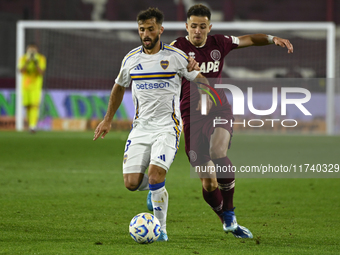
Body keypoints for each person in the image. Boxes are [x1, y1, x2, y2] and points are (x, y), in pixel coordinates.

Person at [169, 4, 294, 238]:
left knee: (218, 151)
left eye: (202, 26)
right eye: (193, 26)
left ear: (209, 27)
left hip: (218, 109)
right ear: (186, 26)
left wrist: (271, 38)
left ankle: (230, 210)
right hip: (191, 116)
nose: (198, 31)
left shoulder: (219, 43)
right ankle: (226, 219)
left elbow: (247, 39)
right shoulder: (176, 49)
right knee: (208, 183)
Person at [93, 7, 207, 242]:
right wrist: (107, 120)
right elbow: (118, 87)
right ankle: (154, 191)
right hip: (141, 128)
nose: (145, 34)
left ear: (160, 30)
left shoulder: (176, 56)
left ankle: (162, 229)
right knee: (131, 183)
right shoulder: (131, 59)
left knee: (155, 177)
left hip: (167, 127)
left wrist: (203, 105)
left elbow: (201, 79)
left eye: (150, 29)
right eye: (142, 29)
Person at [18, 43, 46, 133]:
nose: (32, 52)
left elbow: (41, 72)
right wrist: (27, 62)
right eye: (30, 50)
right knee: (28, 106)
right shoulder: (23, 58)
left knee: (34, 105)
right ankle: (30, 125)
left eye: (34, 50)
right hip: (25, 86)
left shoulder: (41, 58)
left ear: (37, 51)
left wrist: (36, 63)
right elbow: (21, 71)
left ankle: (33, 126)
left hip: (36, 86)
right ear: (27, 50)